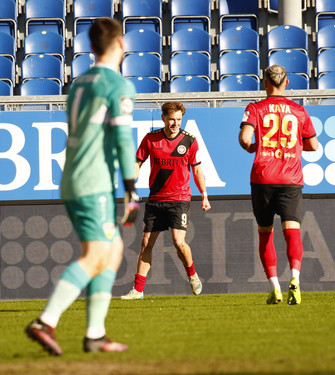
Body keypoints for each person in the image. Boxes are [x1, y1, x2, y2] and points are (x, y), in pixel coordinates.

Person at [25, 18, 139, 355]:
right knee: (95, 256)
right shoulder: (117, 85)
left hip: (73, 178)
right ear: (121, 44)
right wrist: (131, 189)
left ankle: (95, 334)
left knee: (113, 251)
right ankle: (46, 321)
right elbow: (121, 138)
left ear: (91, 48)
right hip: (94, 182)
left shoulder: (79, 83)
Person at [238, 65, 318, 305]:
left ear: (265, 83)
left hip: (263, 177)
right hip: (290, 179)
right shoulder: (298, 111)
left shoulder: (255, 108)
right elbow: (313, 145)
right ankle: (295, 278)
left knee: (265, 234)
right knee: (292, 230)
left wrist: (254, 147)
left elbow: (244, 138)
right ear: (287, 83)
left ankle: (275, 289)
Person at [121, 101, 211, 300]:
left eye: (179, 119)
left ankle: (192, 274)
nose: (175, 123)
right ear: (163, 118)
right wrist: (131, 180)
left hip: (179, 198)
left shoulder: (189, 141)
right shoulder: (151, 139)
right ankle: (138, 290)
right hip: (156, 198)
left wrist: (204, 195)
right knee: (146, 243)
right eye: (172, 119)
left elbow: (196, 169)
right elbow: (137, 163)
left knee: (179, 242)